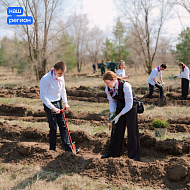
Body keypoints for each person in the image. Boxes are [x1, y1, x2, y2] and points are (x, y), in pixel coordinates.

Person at [101, 71, 140, 161]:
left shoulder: (126, 86)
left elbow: (129, 104)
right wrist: (112, 112)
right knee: (117, 129)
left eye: (107, 82)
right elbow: (112, 101)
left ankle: (134, 156)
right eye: (105, 83)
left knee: (132, 130)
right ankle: (113, 153)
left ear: (114, 80)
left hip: (131, 107)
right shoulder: (108, 88)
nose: (106, 84)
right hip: (120, 106)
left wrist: (119, 115)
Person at [40, 61, 72, 152]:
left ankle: (68, 148)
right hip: (49, 104)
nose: (61, 75)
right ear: (54, 70)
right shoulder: (46, 79)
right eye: (59, 73)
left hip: (58, 102)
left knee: (63, 126)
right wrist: (52, 108)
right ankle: (52, 149)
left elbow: (63, 90)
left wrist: (65, 102)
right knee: (53, 127)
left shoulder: (61, 77)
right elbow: (43, 96)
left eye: (62, 73)